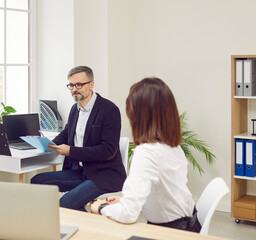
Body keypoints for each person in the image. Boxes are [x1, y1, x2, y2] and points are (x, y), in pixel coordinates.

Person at [90, 77, 201, 233]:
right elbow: (165, 190)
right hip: (188, 225)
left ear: (138, 114)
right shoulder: (172, 146)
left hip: (170, 233)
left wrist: (101, 207)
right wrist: (125, 200)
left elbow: (128, 214)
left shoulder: (147, 153)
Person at [31, 66, 126, 211]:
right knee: (37, 181)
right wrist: (48, 144)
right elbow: (67, 133)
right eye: (71, 85)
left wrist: (71, 151)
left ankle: (84, 228)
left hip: (104, 175)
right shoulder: (75, 109)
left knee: (66, 203)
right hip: (79, 172)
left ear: (91, 84)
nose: (75, 89)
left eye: (79, 85)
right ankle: (49, 222)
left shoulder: (109, 110)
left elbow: (108, 150)